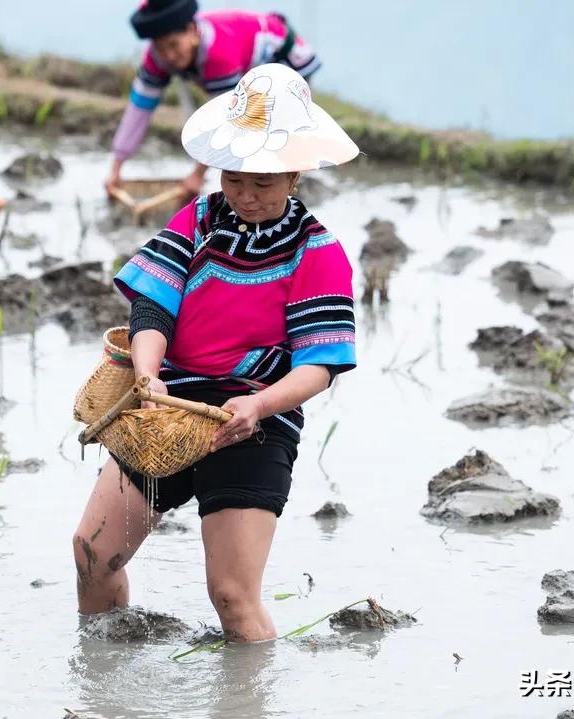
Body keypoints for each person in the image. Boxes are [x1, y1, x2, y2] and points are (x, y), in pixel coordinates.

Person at [75, 63, 359, 642]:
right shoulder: (198, 219)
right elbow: (153, 309)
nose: (246, 196)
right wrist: (147, 375)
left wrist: (259, 406)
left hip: (253, 418)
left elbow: (319, 365)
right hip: (168, 408)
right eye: (234, 179)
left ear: (295, 175)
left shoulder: (318, 253)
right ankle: (105, 683)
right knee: (91, 555)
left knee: (232, 596)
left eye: (264, 183)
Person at [106, 0, 321, 198]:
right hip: (242, 66)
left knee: (267, 135)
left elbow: (229, 121)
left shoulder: (219, 53)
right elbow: (139, 110)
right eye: (161, 49)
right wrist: (116, 168)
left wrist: (197, 175)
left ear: (191, 31)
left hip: (284, 58)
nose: (169, 56)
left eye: (173, 45)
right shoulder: (156, 58)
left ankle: (286, 188)